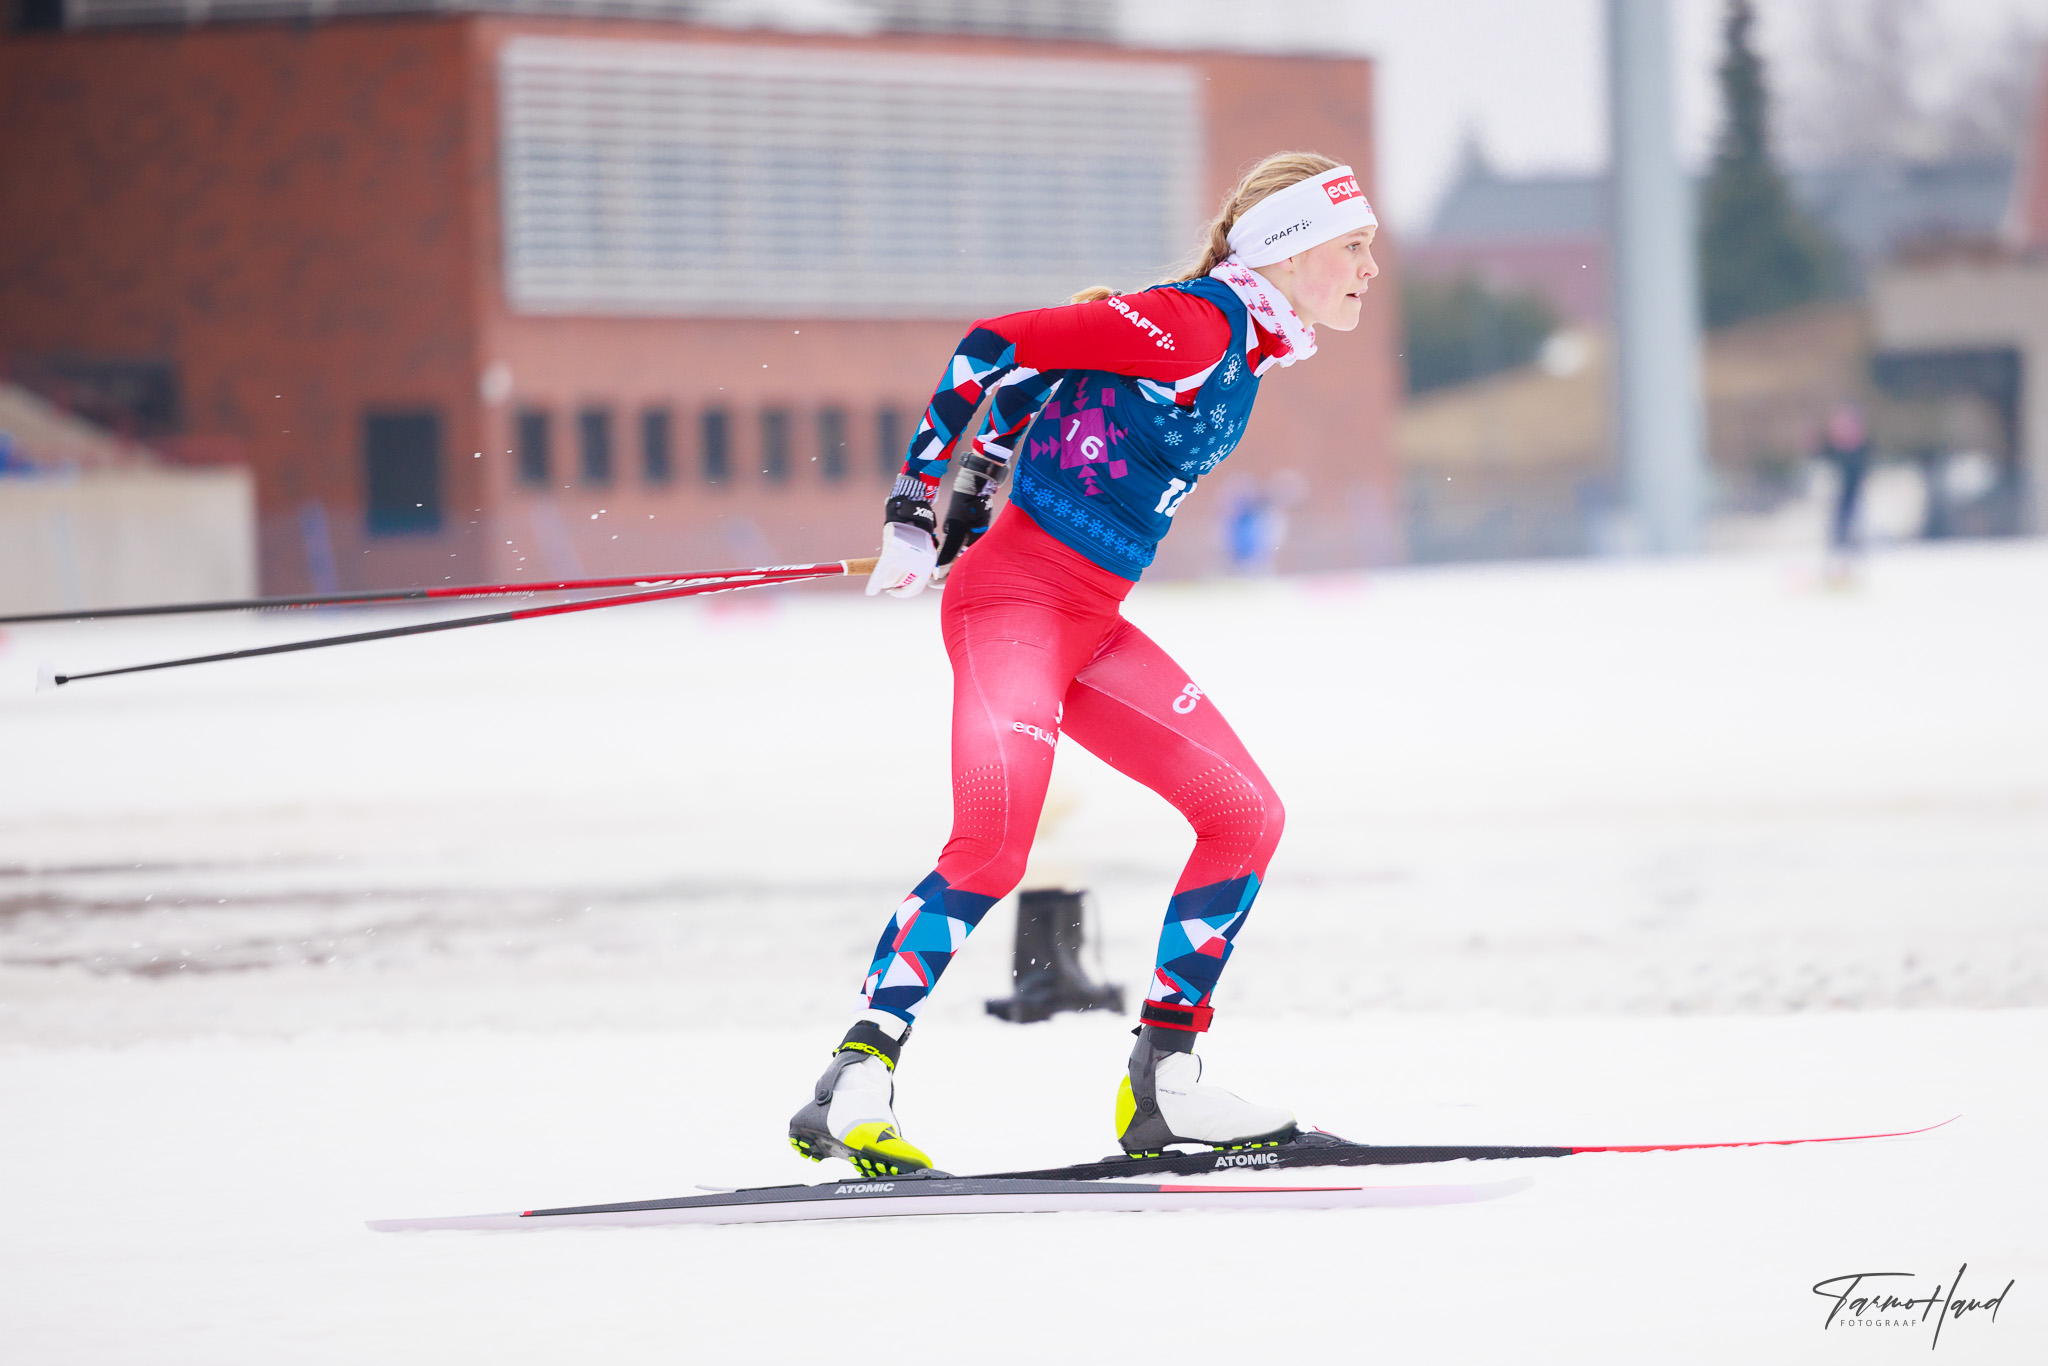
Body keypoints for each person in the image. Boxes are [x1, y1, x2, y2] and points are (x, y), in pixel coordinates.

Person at [789, 152, 1380, 1175]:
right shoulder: (1194, 323)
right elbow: (994, 343)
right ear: (1289, 251)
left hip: (1091, 622)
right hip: (1013, 608)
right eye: (1354, 246)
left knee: (1244, 815)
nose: (1370, 267)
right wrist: (913, 507)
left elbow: (1032, 380)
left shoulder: (1242, 343)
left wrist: (977, 490)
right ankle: (855, 1075)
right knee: (992, 844)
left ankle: (1166, 1080)